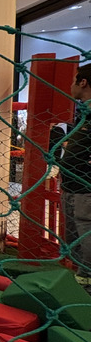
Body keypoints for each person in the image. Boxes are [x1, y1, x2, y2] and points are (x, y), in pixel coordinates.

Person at [61, 64, 91, 283]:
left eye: (74, 81)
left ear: (83, 82)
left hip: (85, 188)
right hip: (72, 186)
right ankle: (83, 278)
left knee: (86, 236)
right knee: (75, 240)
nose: (71, 85)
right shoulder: (84, 114)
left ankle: (86, 280)